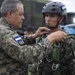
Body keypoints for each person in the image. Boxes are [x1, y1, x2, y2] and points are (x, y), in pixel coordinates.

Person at [0, 0, 67, 75]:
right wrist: (51, 39)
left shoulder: (6, 30)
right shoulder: (4, 32)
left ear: (61, 19)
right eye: (21, 14)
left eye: (51, 16)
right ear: (10, 14)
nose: (23, 18)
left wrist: (34, 36)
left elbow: (16, 41)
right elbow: (27, 55)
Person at [36, 1, 75, 75]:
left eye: (52, 16)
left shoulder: (68, 42)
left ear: (61, 18)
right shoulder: (41, 38)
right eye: (46, 16)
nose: (48, 19)